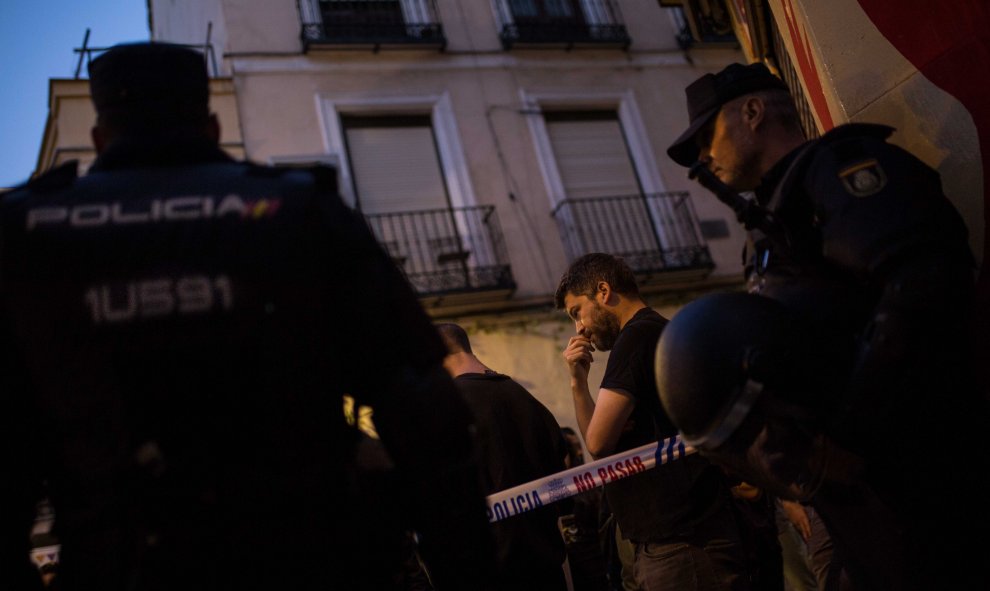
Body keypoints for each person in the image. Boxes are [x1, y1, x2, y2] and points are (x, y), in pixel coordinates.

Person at [0, 42, 496, 591]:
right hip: (306, 561)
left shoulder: (26, 232)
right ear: (211, 127)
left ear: (98, 138)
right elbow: (429, 422)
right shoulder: (301, 210)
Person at [657, 62, 990, 589]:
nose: (703, 157)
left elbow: (919, 290)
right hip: (869, 506)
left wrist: (850, 433)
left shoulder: (837, 171)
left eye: (706, 136)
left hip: (928, 477)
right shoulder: (773, 222)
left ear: (753, 111)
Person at [555, 253, 753, 591]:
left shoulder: (636, 339)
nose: (580, 328)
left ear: (603, 291)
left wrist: (579, 387)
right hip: (686, 537)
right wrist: (578, 381)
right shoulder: (660, 332)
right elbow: (602, 442)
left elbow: (598, 443)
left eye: (577, 312)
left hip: (681, 544)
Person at [437, 322, 568, 591]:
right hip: (547, 564)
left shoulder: (449, 410)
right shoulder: (523, 396)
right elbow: (562, 466)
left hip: (491, 570)